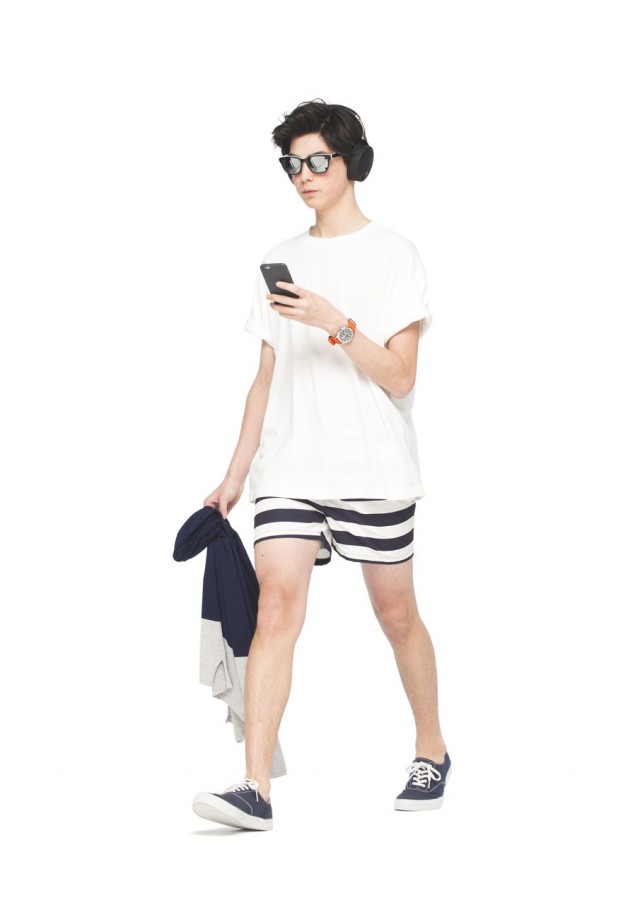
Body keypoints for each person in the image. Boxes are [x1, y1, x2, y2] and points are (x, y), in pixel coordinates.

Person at [191, 100, 450, 831]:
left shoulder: (396, 255)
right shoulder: (280, 256)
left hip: (373, 466)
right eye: (292, 164)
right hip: (290, 465)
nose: (303, 175)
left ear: (352, 162)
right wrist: (234, 475)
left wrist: (335, 322)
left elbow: (401, 376)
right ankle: (256, 788)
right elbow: (265, 378)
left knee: (396, 613)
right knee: (276, 608)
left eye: (317, 160)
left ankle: (431, 748)